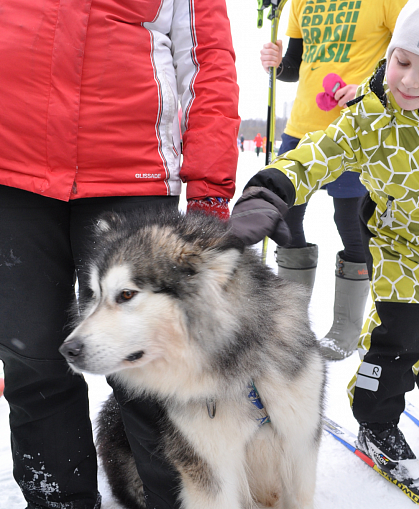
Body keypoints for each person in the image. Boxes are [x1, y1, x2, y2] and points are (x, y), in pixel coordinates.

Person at [231, 0, 419, 488]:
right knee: (397, 340)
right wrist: (272, 186)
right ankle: (377, 421)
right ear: (388, 55)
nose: (409, 80)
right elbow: (314, 156)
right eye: (402, 61)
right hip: (399, 248)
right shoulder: (368, 118)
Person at [0, 1, 240, 508]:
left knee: (151, 367)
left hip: (131, 172)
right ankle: (57, 500)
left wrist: (209, 186)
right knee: (33, 358)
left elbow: (207, 55)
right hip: (10, 169)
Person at [260, 0, 408, 360]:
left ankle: (346, 327)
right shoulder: (300, 3)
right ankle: (293, 322)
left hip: (356, 126)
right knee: (285, 217)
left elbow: (408, 58)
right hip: (301, 128)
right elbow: (293, 67)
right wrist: (276, 63)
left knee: (351, 223)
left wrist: (368, 86)